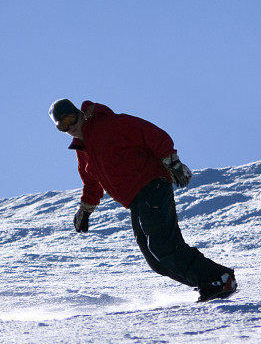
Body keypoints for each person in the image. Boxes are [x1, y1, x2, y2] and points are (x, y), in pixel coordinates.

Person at [49, 98, 237, 302]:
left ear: (79, 113)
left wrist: (171, 161)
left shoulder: (110, 124)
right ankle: (210, 282)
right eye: (62, 126)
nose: (70, 126)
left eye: (70, 118)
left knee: (161, 245)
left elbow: (152, 134)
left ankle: (217, 278)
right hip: (135, 200)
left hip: (151, 185)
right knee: (155, 260)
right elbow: (91, 183)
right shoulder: (83, 150)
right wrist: (85, 210)